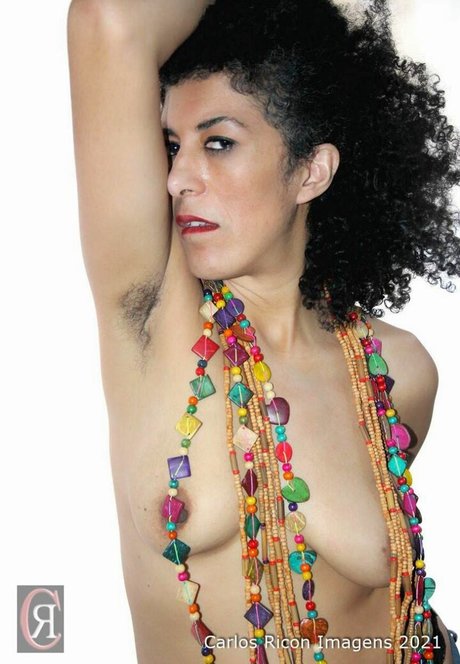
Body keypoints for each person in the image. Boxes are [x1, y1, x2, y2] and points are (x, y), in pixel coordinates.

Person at [67, 0, 460, 662]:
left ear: (311, 171)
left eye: (218, 143)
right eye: (172, 146)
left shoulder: (397, 368)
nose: (177, 178)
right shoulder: (152, 321)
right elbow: (110, 19)